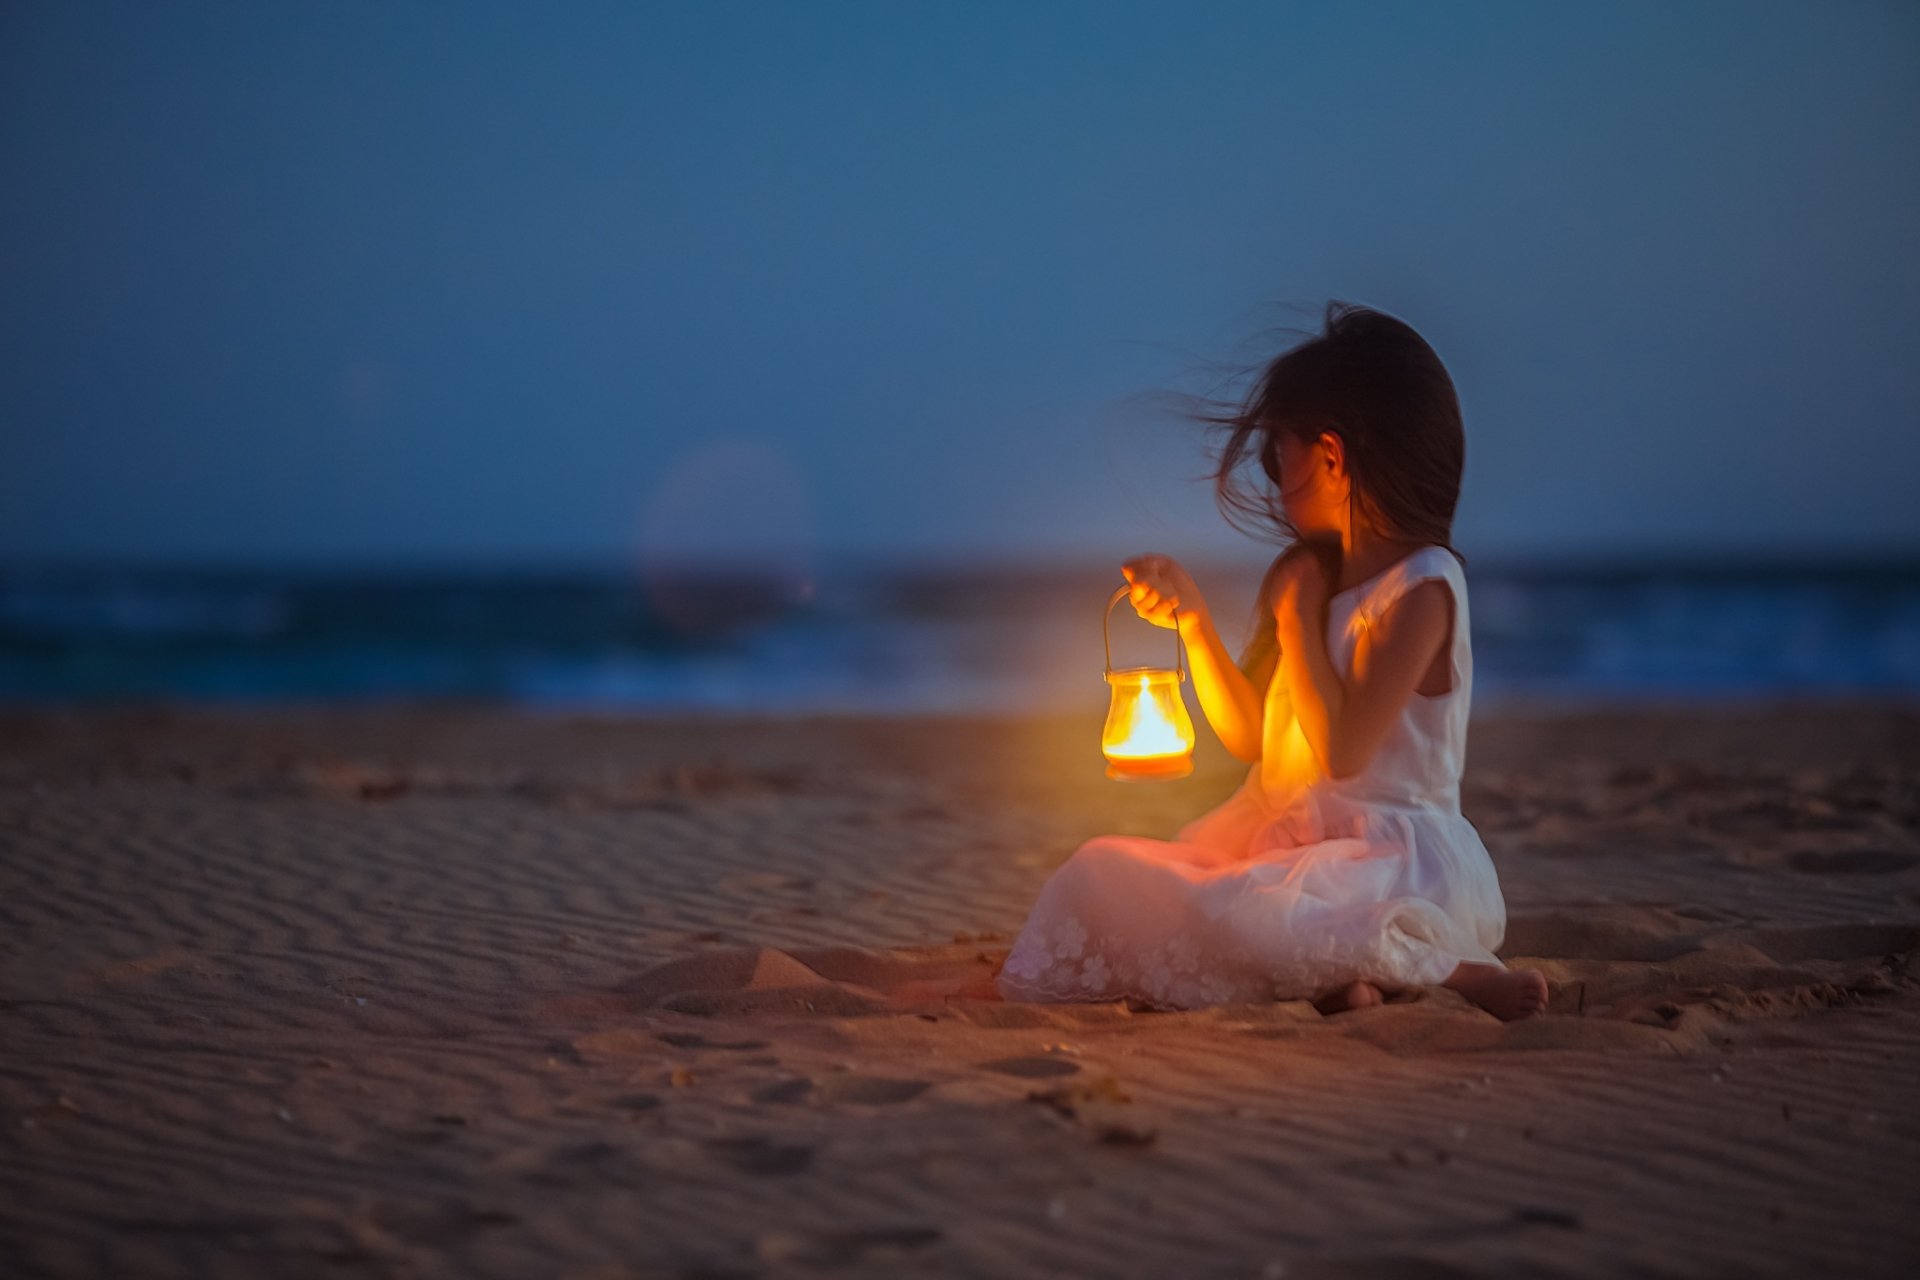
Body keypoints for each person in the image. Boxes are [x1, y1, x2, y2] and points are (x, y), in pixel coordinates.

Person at [996, 302, 1548, 1020]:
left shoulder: (1422, 587)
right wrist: (1194, 623)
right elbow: (1250, 736)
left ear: (1330, 455)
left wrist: (1298, 616)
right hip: (1284, 848)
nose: (1272, 478)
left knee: (1265, 914)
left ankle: (1454, 971)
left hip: (1385, 863)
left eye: (1279, 454)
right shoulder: (1310, 577)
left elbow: (1344, 752)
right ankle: (1350, 981)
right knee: (1102, 868)